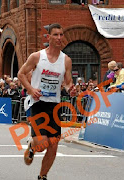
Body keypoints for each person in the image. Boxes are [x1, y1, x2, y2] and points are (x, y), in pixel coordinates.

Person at [18, 23, 74, 180]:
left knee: (54, 145)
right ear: (48, 37)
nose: (59, 38)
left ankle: (42, 176)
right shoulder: (37, 56)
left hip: (54, 105)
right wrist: (31, 90)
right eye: (55, 35)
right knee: (42, 143)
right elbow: (21, 74)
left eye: (61, 35)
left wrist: (71, 89)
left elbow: (68, 82)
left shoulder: (66, 60)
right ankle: (32, 146)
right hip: (38, 103)